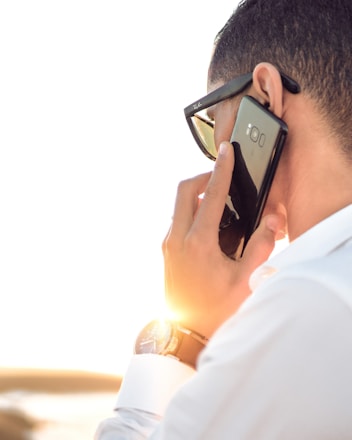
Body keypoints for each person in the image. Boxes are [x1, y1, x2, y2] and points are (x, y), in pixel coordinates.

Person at [95, 0, 352, 438]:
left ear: (265, 97)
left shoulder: (307, 305)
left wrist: (184, 336)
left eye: (213, 118)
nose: (216, 153)